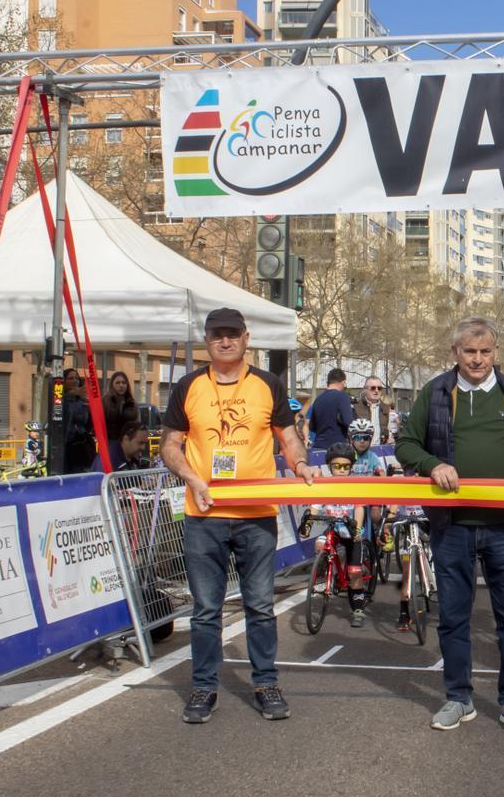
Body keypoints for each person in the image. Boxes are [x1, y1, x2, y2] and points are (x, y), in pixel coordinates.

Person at [395, 317, 504, 735]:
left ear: (496, 352)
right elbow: (405, 444)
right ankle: (459, 698)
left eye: (485, 351)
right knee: (453, 618)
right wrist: (432, 464)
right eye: (469, 352)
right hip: (452, 527)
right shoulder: (435, 391)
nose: (477, 359)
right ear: (455, 352)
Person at [160, 307, 316, 725]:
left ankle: (266, 683)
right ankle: (204, 687)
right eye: (216, 335)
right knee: (206, 609)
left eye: (232, 334)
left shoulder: (267, 385)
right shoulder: (188, 386)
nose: (224, 341)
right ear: (206, 340)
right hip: (204, 516)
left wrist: (300, 464)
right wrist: (192, 478)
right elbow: (170, 445)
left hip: (256, 515)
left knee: (260, 606)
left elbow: (289, 437)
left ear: (247, 338)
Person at [306, 442, 372, 628]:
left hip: (352, 532)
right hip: (334, 529)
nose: (341, 470)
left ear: (351, 467)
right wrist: (308, 523)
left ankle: (358, 608)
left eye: (345, 466)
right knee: (320, 546)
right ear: (329, 466)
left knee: (354, 572)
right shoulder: (324, 486)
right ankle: (331, 571)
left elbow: (359, 510)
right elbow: (314, 509)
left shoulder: (354, 485)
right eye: (336, 466)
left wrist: (358, 530)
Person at [307, 368, 353, 450]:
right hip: (337, 448)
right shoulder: (343, 397)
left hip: (319, 447)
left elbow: (312, 427)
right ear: (343, 382)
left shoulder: (318, 399)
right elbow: (348, 422)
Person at [62, 368, 96, 474]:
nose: (74, 381)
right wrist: (70, 396)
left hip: (82, 447)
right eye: (70, 378)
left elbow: (89, 424)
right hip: (66, 449)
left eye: (76, 378)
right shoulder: (59, 400)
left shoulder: (84, 402)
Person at [354, 376, 394, 445]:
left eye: (379, 388)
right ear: (365, 389)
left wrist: (389, 439)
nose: (376, 390)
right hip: (360, 450)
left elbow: (388, 429)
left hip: (379, 451)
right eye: (373, 388)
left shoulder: (385, 408)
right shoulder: (355, 406)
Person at [102, 371, 137, 443]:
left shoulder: (132, 402)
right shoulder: (105, 401)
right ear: (112, 384)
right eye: (117, 383)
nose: (121, 385)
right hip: (111, 443)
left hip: (128, 444)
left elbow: (137, 425)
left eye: (124, 383)